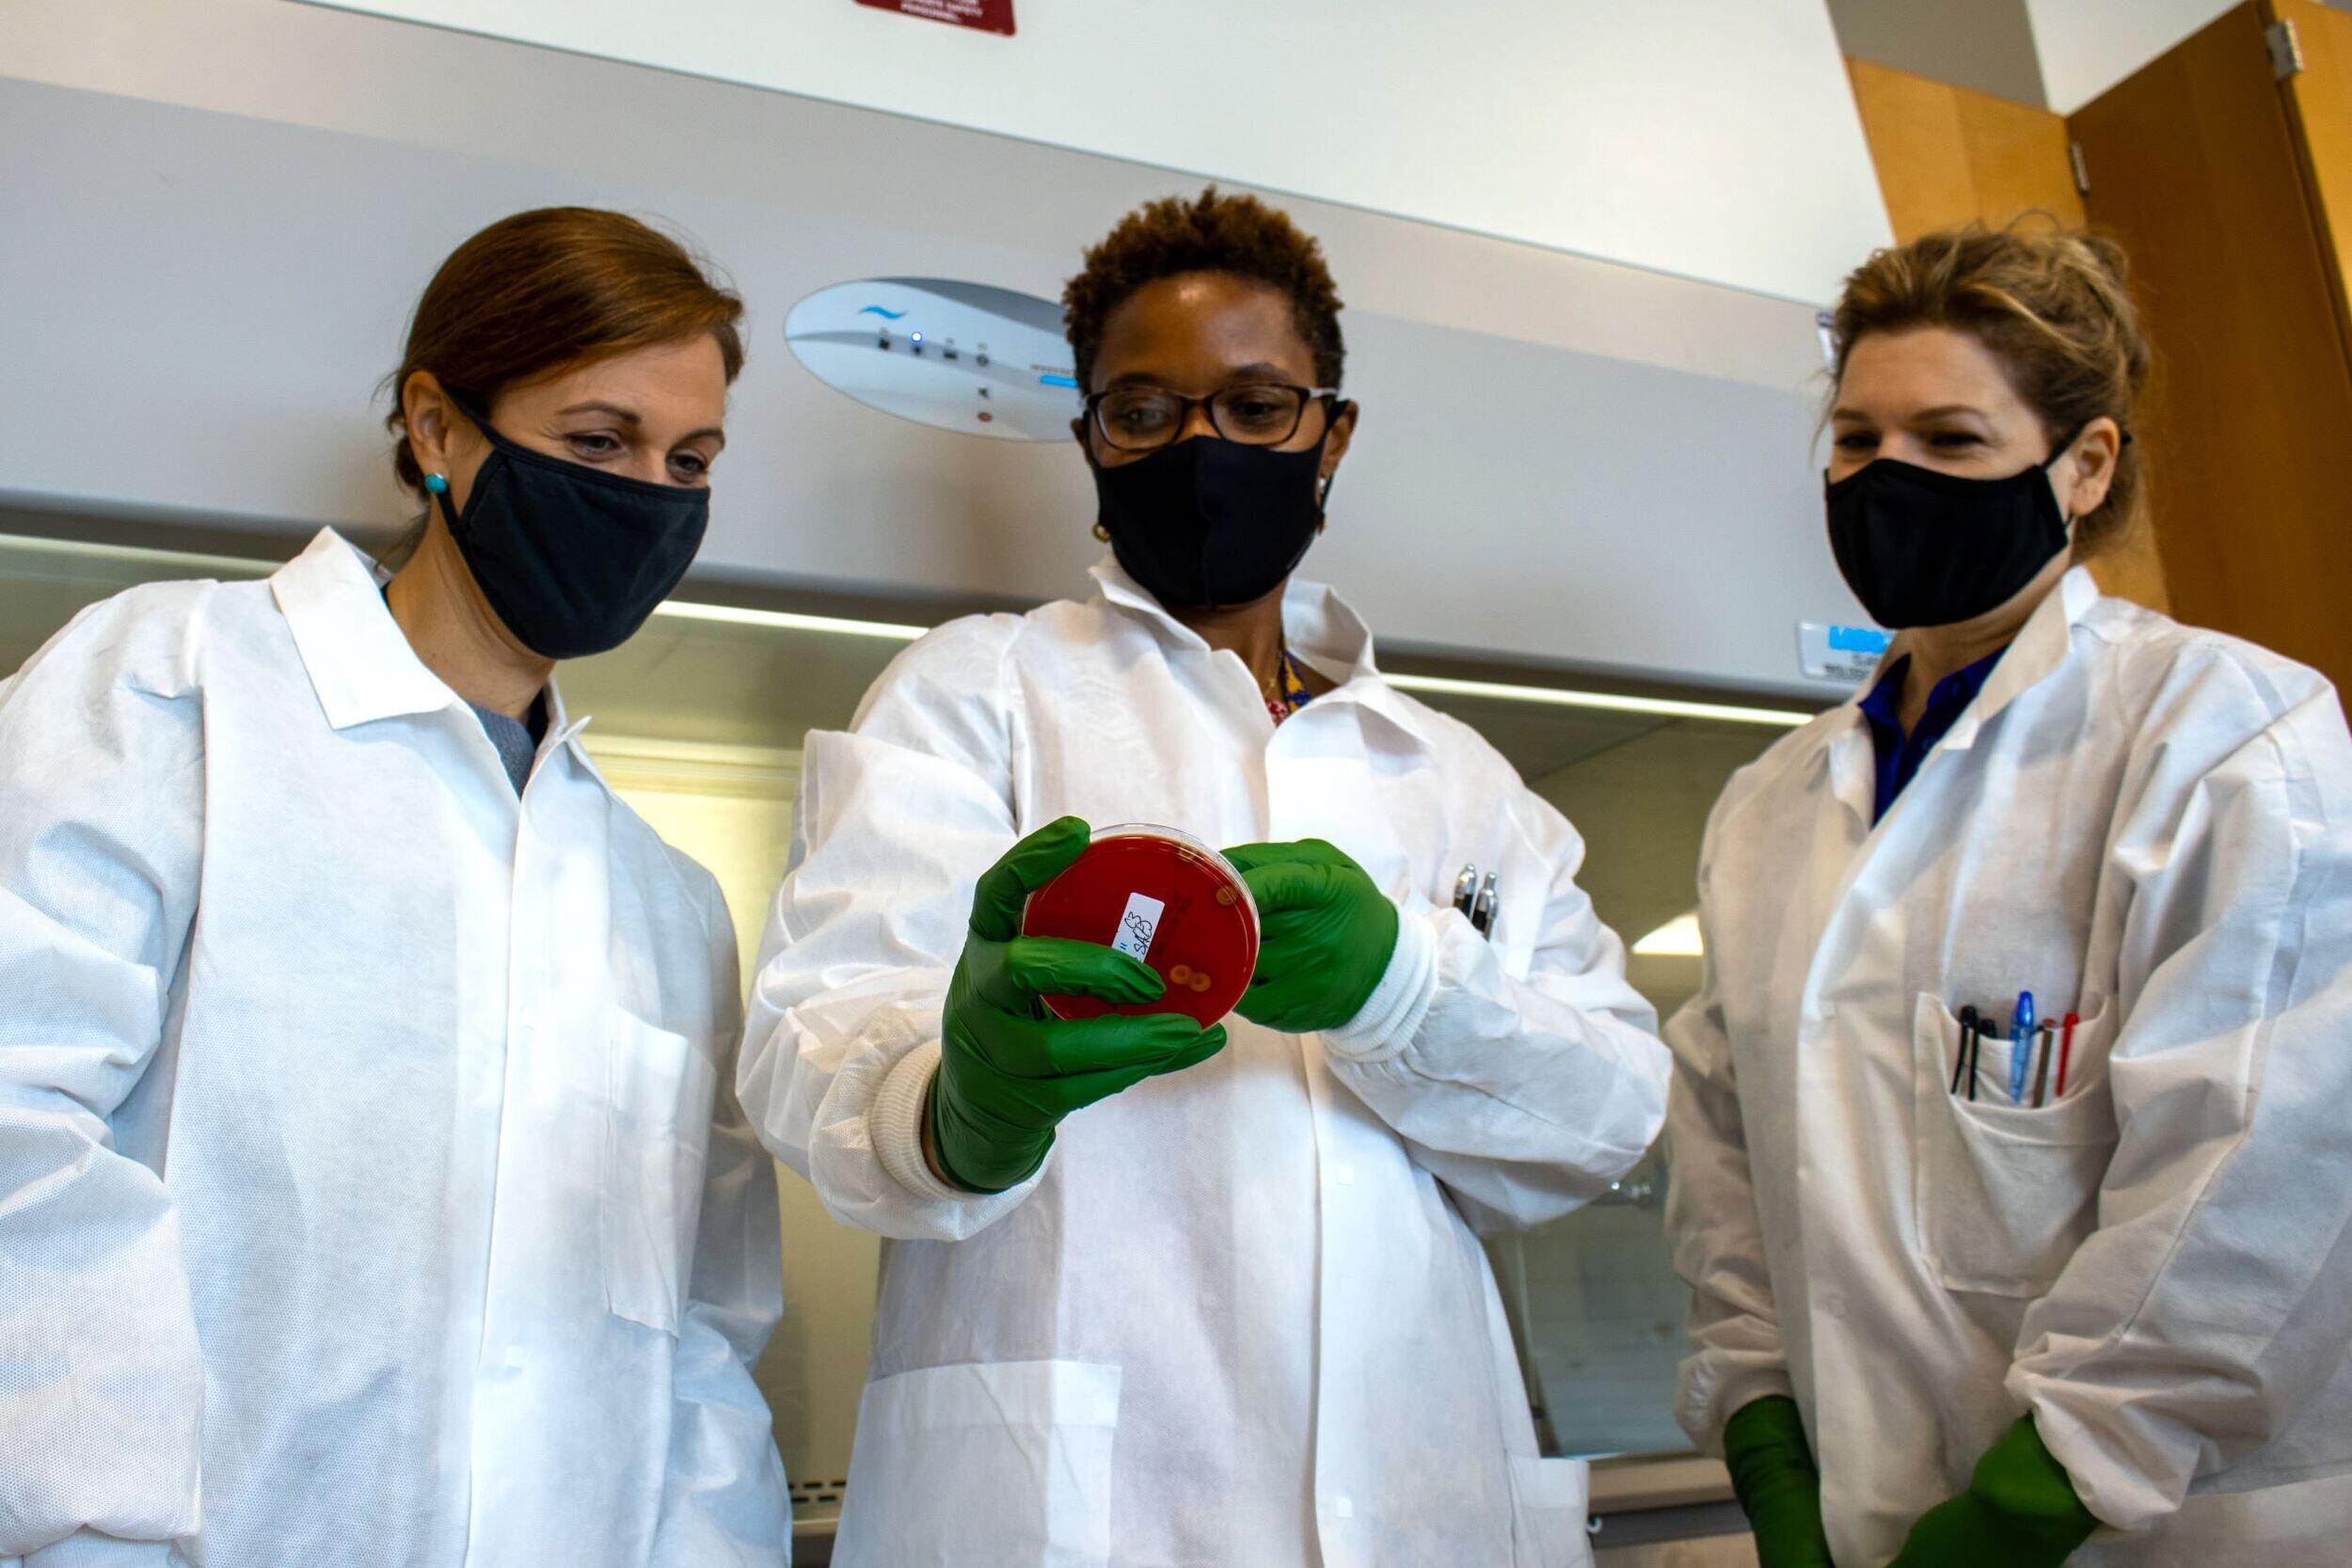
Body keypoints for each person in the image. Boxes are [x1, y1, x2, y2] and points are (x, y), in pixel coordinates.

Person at [738, 188, 1671, 1568]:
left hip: (1427, 1500)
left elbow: (1610, 1113)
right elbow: (814, 1037)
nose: (1198, 445)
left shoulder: (1457, 778)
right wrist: (953, 1105)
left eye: (1254, 407)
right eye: (1145, 409)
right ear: (1091, 436)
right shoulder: (978, 691)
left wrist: (1405, 987)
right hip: (1087, 1516)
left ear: (1331, 433)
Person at [0, 207, 791, 1566]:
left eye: (691, 460)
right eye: (597, 443)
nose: (649, 495)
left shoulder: (662, 899)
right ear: (436, 429)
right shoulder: (175, 683)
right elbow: (18, 1117)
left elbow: (704, 1343)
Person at [1663, 222, 2352, 1568]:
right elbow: (1726, 1161)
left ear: (2084, 463)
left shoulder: (2226, 736)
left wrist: (2043, 1496)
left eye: (1952, 440)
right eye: (1857, 442)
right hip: (1863, 1520)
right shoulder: (1768, 807)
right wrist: (1761, 1435)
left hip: (2155, 1528)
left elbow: (2266, 1168)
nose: (1888, 479)